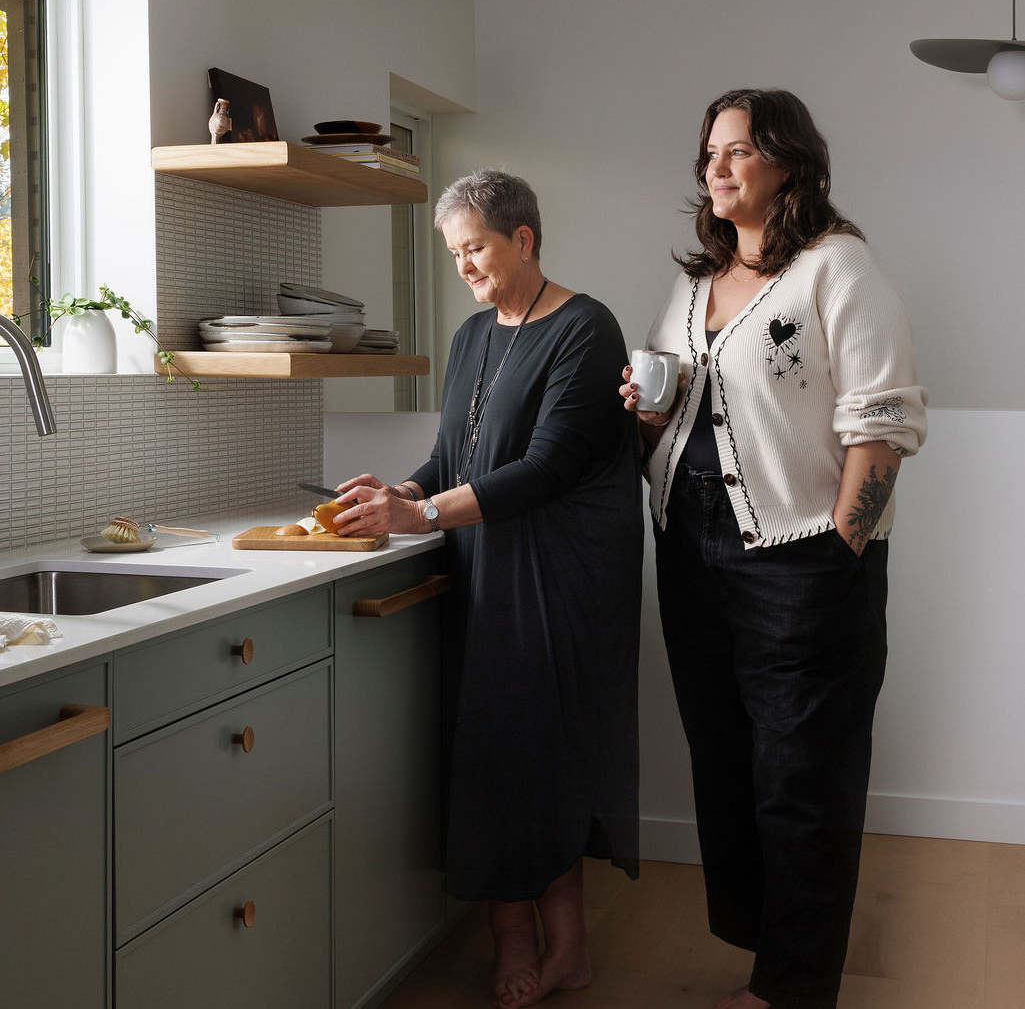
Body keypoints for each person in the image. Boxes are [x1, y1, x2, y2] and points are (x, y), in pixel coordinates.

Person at [622, 90, 927, 1009]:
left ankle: (792, 989)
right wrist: (644, 413)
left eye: (739, 150)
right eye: (710, 151)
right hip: (689, 547)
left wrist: (841, 550)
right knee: (726, 763)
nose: (715, 167)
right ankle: (773, 956)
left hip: (801, 559)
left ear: (788, 161)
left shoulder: (838, 267)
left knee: (803, 779)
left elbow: (882, 422)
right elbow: (680, 410)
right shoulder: (693, 284)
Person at [332, 169, 643, 1009]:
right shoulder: (472, 334)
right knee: (493, 759)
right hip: (484, 571)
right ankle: (516, 936)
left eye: (474, 247)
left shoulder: (584, 328)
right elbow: (452, 459)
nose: (463, 265)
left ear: (523, 238)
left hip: (561, 580)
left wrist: (422, 512)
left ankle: (565, 946)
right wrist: (398, 492)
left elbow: (544, 469)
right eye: (454, 253)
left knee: (544, 758)